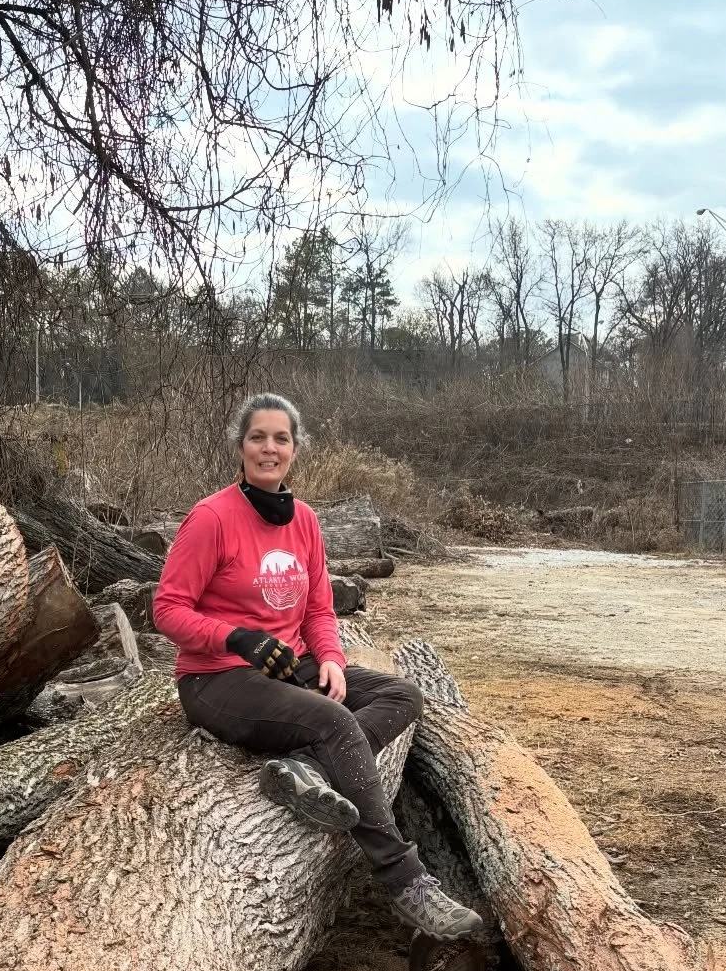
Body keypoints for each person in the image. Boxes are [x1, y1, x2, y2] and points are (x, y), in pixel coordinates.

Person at [153, 391, 483, 942]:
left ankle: (304, 769)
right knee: (335, 723)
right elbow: (166, 609)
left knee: (403, 696)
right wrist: (237, 637)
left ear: (295, 448)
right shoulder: (211, 518)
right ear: (240, 446)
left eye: (281, 438)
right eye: (258, 437)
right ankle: (406, 881)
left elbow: (318, 609)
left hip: (291, 667)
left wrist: (330, 658)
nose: (269, 448)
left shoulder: (304, 520)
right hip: (216, 678)